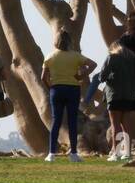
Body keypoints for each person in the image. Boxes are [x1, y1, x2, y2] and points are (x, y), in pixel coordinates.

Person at [41, 30, 95, 162]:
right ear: (69, 41)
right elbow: (93, 64)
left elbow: (43, 77)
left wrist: (51, 88)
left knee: (56, 121)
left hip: (56, 90)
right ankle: (74, 154)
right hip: (73, 89)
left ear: (56, 41)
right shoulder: (75, 56)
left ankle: (51, 154)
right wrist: (81, 76)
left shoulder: (50, 56)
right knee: (72, 121)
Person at [98, 40, 135, 161]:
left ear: (113, 48)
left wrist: (112, 76)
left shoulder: (111, 57)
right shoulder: (132, 58)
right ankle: (127, 152)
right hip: (129, 95)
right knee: (126, 125)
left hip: (114, 95)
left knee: (115, 125)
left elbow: (101, 77)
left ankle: (116, 152)